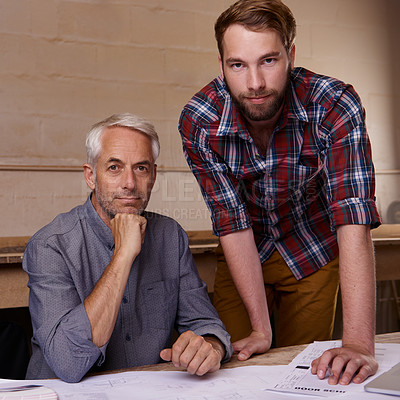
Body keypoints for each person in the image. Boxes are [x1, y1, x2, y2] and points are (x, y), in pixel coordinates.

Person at [178, 0, 381, 386]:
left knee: (308, 372)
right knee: (231, 368)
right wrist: (260, 327)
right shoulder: (199, 121)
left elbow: (352, 215)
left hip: (313, 251)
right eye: (238, 64)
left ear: (290, 55)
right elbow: (231, 223)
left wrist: (358, 344)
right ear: (221, 64)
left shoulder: (334, 104)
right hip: (245, 250)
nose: (254, 83)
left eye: (268, 61)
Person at [23, 113, 232, 383]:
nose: (130, 183)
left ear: (153, 176)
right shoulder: (51, 246)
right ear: (90, 176)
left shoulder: (171, 236)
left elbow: (204, 323)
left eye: (141, 168)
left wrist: (210, 346)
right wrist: (123, 256)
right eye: (114, 167)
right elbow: (68, 363)